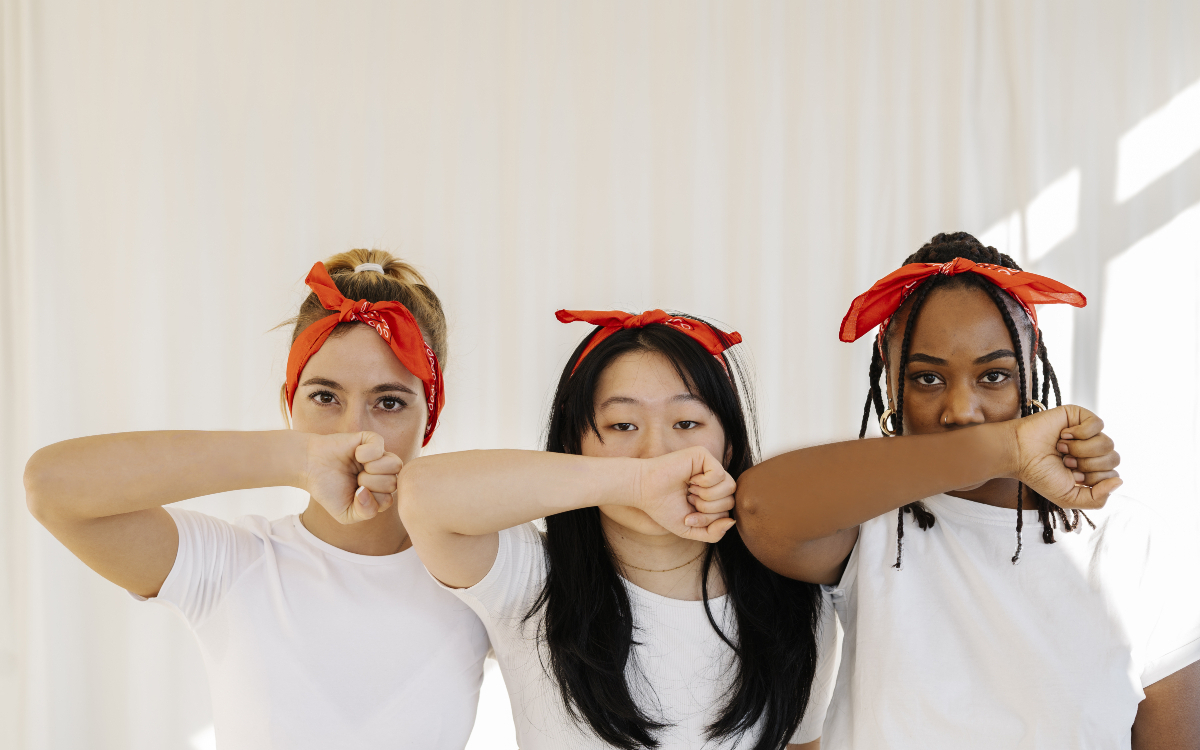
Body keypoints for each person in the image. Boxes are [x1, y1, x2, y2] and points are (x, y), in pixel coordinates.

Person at [733, 233, 1200, 749]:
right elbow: (759, 507)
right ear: (890, 385)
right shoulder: (868, 521)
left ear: (1031, 376)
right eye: (927, 379)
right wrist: (1005, 448)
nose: (961, 411)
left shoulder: (1129, 539)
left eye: (994, 375)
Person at [24, 250, 489, 750]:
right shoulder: (232, 563)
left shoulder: (480, 573)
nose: (354, 432)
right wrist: (298, 458)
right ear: (288, 402)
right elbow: (50, 484)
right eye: (324, 397)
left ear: (430, 418)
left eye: (389, 402)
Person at [399, 309, 837, 750]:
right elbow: (422, 492)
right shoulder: (529, 577)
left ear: (730, 445)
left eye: (687, 423)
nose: (657, 453)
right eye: (622, 425)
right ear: (573, 443)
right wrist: (638, 483)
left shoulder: (794, 597)